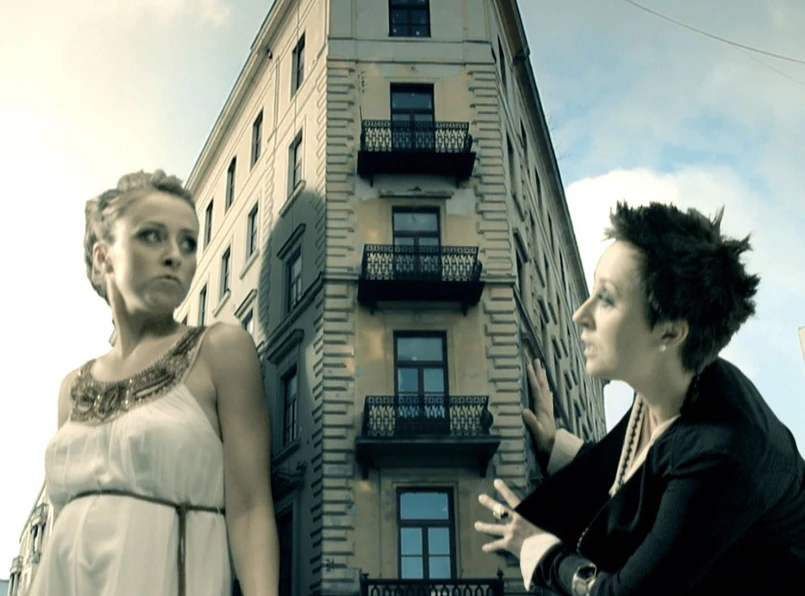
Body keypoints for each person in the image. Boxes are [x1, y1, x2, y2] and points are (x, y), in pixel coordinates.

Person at [474, 202, 805, 594]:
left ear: (669, 333)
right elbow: (645, 467)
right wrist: (554, 446)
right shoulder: (671, 382)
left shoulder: (722, 456)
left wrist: (538, 550)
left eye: (607, 299)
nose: (580, 315)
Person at [29, 170, 280, 596]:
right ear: (103, 257)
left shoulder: (222, 350)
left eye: (188, 242)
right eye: (152, 236)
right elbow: (61, 525)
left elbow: (251, 509)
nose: (174, 255)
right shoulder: (71, 388)